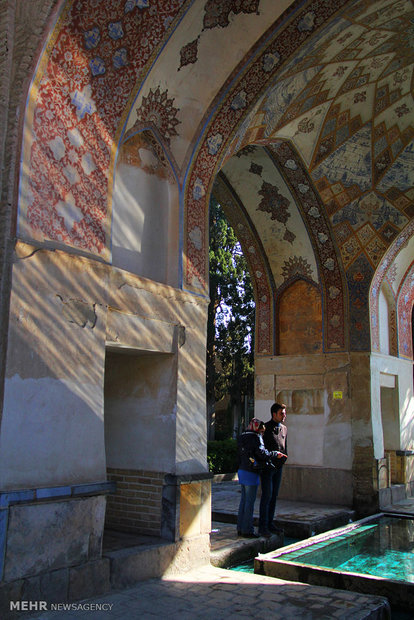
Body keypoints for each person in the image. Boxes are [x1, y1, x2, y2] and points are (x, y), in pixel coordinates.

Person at [237, 418, 279, 538]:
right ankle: (247, 530)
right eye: (262, 431)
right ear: (257, 429)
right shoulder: (256, 437)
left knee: (243, 501)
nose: (262, 433)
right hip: (251, 472)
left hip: (242, 470)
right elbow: (261, 453)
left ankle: (240, 528)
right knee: (250, 502)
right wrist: (274, 454)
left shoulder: (242, 436)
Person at [258, 403, 288, 537]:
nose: (284, 415)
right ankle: (263, 526)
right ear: (274, 414)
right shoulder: (265, 428)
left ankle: (270, 523)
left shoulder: (284, 429)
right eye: (281, 413)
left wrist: (283, 460)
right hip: (267, 468)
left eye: (284, 413)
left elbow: (284, 447)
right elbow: (260, 449)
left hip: (278, 467)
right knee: (267, 496)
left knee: (274, 496)